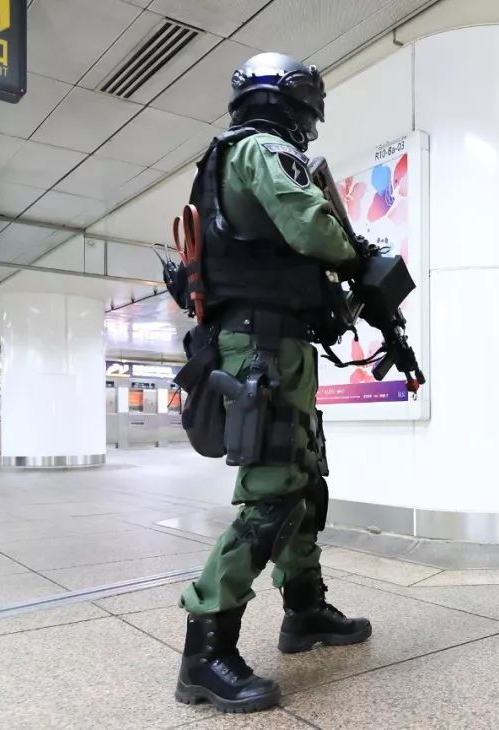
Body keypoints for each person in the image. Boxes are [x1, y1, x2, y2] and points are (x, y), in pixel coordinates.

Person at [174, 52, 370, 714]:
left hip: (274, 343)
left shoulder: (233, 153)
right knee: (272, 497)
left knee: (303, 483)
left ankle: (305, 611)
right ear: (291, 104)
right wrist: (357, 248)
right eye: (309, 110)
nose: (310, 124)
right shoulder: (260, 149)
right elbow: (315, 230)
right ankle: (206, 652)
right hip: (262, 347)